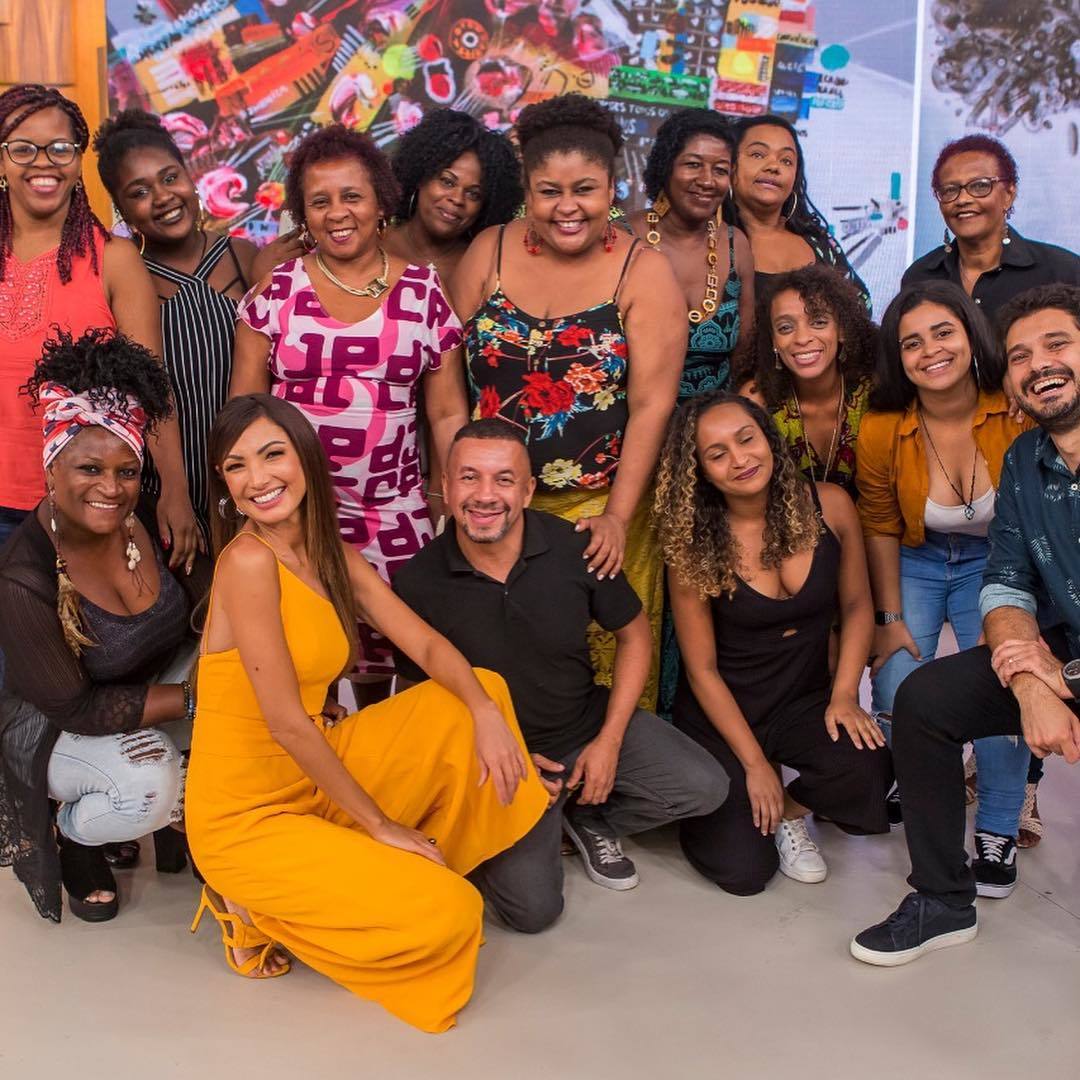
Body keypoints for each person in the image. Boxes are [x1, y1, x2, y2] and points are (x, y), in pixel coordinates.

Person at [185, 394, 547, 1031]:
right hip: (246, 816)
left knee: (478, 691)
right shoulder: (247, 561)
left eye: (272, 455)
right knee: (451, 913)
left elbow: (426, 645)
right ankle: (250, 904)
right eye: (236, 466)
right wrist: (379, 824)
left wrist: (486, 712)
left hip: (313, 775)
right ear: (224, 483)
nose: (257, 478)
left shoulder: (329, 555)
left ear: (305, 458)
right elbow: (286, 724)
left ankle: (365, 864)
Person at [391, 420, 727, 929]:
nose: (485, 495)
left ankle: (589, 816)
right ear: (446, 484)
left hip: (585, 726)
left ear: (528, 490)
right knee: (532, 912)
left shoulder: (576, 549)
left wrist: (609, 741)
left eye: (504, 479)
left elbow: (635, 637)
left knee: (704, 786)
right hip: (501, 760)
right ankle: (538, 821)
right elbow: (417, 698)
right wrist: (493, 761)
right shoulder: (418, 580)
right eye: (469, 477)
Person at [851, 284, 1080, 965]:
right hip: (973, 590)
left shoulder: (1006, 426)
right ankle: (943, 900)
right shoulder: (1027, 461)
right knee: (920, 697)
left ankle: (1000, 828)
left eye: (1058, 345)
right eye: (1022, 355)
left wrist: (1055, 676)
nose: (1040, 365)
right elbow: (1007, 579)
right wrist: (1028, 678)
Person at [454, 94, 686, 708]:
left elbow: (653, 406)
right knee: (497, 665)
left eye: (585, 190)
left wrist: (617, 517)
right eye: (548, 191)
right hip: (491, 506)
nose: (567, 208)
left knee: (598, 670)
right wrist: (451, 486)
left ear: (612, 188)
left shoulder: (644, 271)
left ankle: (612, 769)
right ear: (526, 191)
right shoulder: (488, 252)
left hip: (599, 508)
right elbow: (445, 377)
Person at [229, 124, 469, 703]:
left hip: (395, 514)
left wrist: (448, 501)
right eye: (320, 201)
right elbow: (241, 414)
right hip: (296, 516)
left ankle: (388, 752)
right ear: (302, 215)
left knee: (402, 658)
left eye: (352, 196)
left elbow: (445, 415)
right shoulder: (275, 292)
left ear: (381, 203)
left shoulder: (424, 293)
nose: (337, 213)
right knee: (312, 657)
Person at [0, 329, 208, 924]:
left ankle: (192, 822)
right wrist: (197, 698)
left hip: (148, 687)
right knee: (152, 785)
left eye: (127, 471)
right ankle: (75, 833)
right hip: (60, 726)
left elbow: (210, 605)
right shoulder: (24, 576)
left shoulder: (146, 518)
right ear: (52, 467)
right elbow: (77, 708)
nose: (111, 489)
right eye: (89, 468)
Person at [655, 392, 892, 895]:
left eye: (747, 439)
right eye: (717, 454)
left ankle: (788, 813)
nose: (740, 459)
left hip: (801, 701)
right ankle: (736, 804)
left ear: (768, 438)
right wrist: (755, 764)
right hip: (725, 713)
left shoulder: (830, 504)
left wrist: (845, 695)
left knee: (869, 761)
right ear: (700, 471)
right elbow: (701, 670)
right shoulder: (692, 542)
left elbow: (856, 607)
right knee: (744, 873)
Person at [856, 281, 1031, 883]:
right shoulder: (880, 428)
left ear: (971, 336)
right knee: (896, 680)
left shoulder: (1013, 410)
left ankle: (998, 829)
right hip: (917, 555)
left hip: (998, 559)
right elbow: (879, 525)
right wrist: (888, 619)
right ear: (897, 357)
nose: (930, 350)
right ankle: (923, 782)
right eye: (911, 343)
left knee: (1002, 683)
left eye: (943, 332)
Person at [0, 85, 199, 563]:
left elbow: (152, 385)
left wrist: (175, 490)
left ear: (76, 160)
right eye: (23, 148)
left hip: (84, 506)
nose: (43, 162)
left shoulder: (114, 258)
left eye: (59, 148)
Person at [92, 109, 298, 538]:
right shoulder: (129, 277)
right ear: (122, 210)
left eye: (170, 178)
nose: (163, 196)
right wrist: (175, 491)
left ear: (190, 177)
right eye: (139, 191)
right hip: (168, 489)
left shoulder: (243, 257)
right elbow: (142, 390)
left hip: (250, 480)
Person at [628, 108, 754, 400]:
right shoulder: (622, 237)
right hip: (628, 419)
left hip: (710, 421)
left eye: (720, 170)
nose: (707, 180)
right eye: (693, 164)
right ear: (666, 167)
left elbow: (744, 357)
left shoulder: (735, 245)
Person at [737, 265, 877, 500]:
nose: (802, 338)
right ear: (773, 341)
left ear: (842, 331)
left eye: (818, 322)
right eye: (785, 328)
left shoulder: (874, 393)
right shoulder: (757, 402)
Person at [903, 135, 1080, 319]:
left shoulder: (1062, 271)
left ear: (1009, 194)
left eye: (980, 186)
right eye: (950, 190)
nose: (963, 199)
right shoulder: (920, 276)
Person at [729, 115, 870, 310]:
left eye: (786, 160)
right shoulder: (711, 241)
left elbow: (861, 307)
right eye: (758, 155)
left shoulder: (818, 242)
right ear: (729, 165)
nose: (774, 167)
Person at [386, 108, 523, 284]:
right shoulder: (373, 245)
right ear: (420, 177)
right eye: (447, 182)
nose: (457, 199)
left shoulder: (483, 267)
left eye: (473, 194)